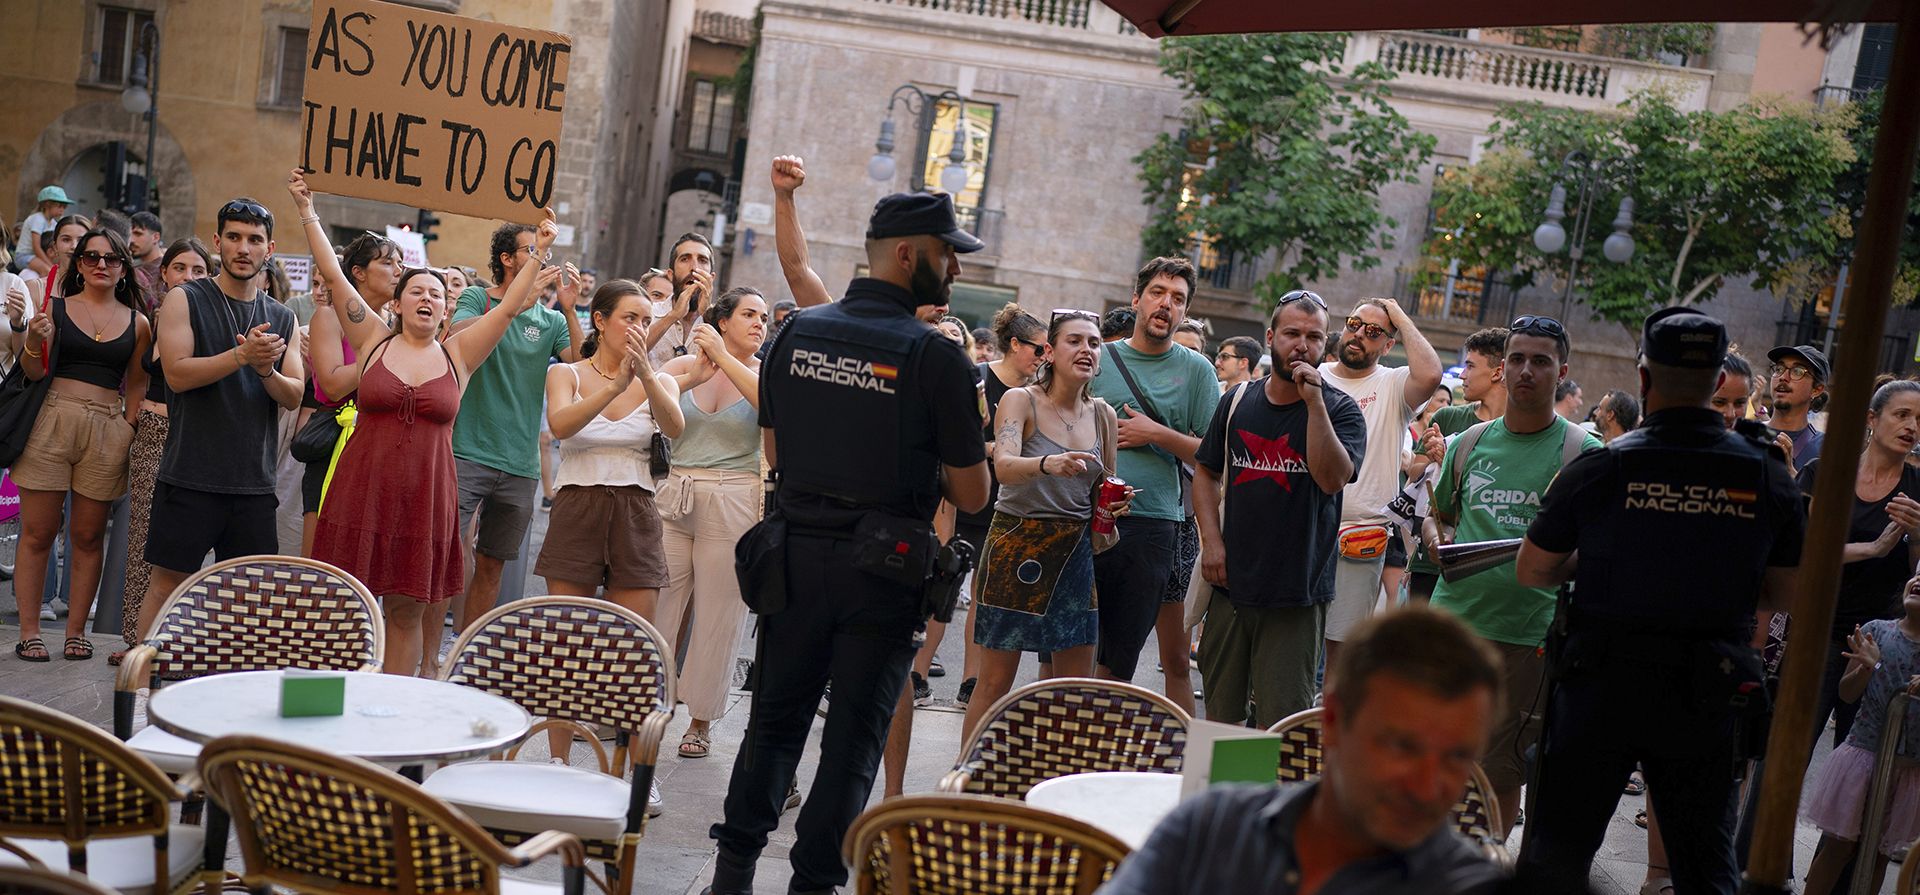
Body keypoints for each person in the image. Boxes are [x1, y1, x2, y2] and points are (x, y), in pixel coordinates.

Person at [704, 191, 989, 895]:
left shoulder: (796, 334)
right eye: (945, 250)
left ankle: (732, 874)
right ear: (905, 254)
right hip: (884, 571)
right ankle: (814, 884)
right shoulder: (935, 357)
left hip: (794, 555)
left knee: (772, 722)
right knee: (852, 741)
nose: (953, 265)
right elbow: (974, 493)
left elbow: (774, 447)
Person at [1515, 307, 1805, 894]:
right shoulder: (1766, 473)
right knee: (1703, 860)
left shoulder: (1602, 466)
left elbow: (1534, 570)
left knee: (1558, 855)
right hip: (1706, 689)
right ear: (1718, 384)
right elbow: (1788, 592)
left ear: (1644, 378)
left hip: (1602, 684)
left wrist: (1605, 560)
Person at [293, 173, 548, 679]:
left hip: (426, 497)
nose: (428, 298)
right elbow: (333, 272)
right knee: (345, 606)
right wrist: (306, 209)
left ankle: (390, 714)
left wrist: (538, 251)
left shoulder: (461, 354)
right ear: (398, 303)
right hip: (361, 488)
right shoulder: (371, 341)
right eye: (417, 292)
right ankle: (333, 707)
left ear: (446, 308)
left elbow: (510, 307)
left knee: (406, 610)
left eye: (437, 293)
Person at [1096, 606, 1508, 895]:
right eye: (1402, 747)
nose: (1426, 786)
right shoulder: (1210, 828)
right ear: (1332, 723)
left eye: (1457, 757)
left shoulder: (1466, 885)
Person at [1423, 317, 1602, 838]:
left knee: (1501, 771)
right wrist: (1436, 540)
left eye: (1540, 361)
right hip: (1452, 625)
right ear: (1503, 369)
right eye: (1518, 359)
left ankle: (1491, 861)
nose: (1527, 370)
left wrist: (1547, 564)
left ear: (1561, 371)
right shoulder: (1469, 442)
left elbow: (1598, 551)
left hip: (1527, 635)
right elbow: (1438, 513)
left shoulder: (1583, 455)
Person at [534, 278, 683, 798]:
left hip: (636, 509)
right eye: (630, 318)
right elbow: (563, 425)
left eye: (646, 319)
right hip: (578, 505)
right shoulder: (566, 372)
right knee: (565, 638)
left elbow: (675, 425)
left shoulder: (657, 375)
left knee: (636, 646)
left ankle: (631, 768)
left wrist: (643, 374)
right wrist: (615, 386)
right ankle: (555, 758)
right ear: (600, 321)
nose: (640, 328)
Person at [133, 198, 303, 644]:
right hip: (190, 475)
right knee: (167, 585)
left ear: (270, 248)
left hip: (253, 484)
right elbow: (177, 374)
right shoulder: (184, 298)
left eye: (254, 239)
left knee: (248, 599)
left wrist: (265, 370)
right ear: (217, 242)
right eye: (233, 237)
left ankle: (231, 698)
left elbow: (295, 394)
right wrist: (241, 356)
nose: (243, 248)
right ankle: (139, 685)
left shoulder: (284, 316)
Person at [1194, 290, 1366, 726]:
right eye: (1291, 333)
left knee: (1278, 725)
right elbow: (1205, 472)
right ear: (1271, 336)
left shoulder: (1341, 411)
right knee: (1220, 721)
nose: (1301, 345)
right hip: (1231, 587)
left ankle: (1266, 797)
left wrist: (1314, 404)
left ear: (1325, 347)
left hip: (1298, 595)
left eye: (1313, 337)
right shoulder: (1236, 401)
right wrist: (1212, 544)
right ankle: (1220, 796)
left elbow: (1331, 479)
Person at [961, 308, 1128, 739]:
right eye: (1075, 341)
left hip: (1073, 548)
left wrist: (1114, 503)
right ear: (1050, 352)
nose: (1087, 349)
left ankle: (1050, 785)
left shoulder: (1104, 415)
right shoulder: (1022, 399)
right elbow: (1004, 465)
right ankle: (963, 781)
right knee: (995, 681)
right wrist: (1048, 463)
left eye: (1094, 343)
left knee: (1072, 688)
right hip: (1017, 539)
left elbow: (1103, 485)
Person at [8, 227, 150, 662]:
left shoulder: (138, 322)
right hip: (51, 419)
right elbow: (32, 371)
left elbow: (139, 386)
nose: (100, 265)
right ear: (79, 264)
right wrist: (32, 339)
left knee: (88, 536)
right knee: (38, 532)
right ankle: (29, 630)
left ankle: (76, 632)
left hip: (108, 426)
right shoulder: (55, 308)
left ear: (124, 269)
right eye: (91, 257)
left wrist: (126, 427)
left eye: (110, 259)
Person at [1087, 257, 1220, 697]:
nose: (1167, 304)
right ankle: (1062, 755)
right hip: (1082, 516)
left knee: (1117, 661)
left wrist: (1156, 434)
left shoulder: (1198, 370)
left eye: (1178, 299)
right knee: (1068, 650)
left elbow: (1213, 454)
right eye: (1159, 293)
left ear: (1185, 312)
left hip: (1151, 525)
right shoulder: (1097, 359)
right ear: (1137, 300)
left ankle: (1097, 755)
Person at [447, 222, 581, 635]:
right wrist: (513, 307)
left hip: (520, 464)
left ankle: (465, 652)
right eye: (532, 250)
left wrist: (572, 308)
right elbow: (456, 335)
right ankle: (431, 659)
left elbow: (580, 364)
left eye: (546, 252)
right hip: (466, 450)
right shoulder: (476, 297)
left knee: (492, 564)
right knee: (450, 557)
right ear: (507, 259)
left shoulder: (552, 320)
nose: (543, 259)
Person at [654, 286, 767, 764]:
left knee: (720, 614)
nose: (760, 323)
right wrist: (697, 367)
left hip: (735, 495)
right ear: (723, 320)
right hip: (676, 493)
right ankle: (640, 702)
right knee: (657, 602)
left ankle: (700, 721)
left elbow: (772, 406)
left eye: (764, 316)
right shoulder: (685, 366)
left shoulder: (764, 376)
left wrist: (726, 358)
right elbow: (649, 391)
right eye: (749, 314)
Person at [928, 302, 1049, 710]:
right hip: (961, 500)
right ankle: (916, 673)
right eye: (1038, 349)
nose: (1042, 358)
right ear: (1014, 345)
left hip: (1005, 505)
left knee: (984, 596)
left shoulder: (1036, 394)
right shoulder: (976, 379)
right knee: (940, 588)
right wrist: (989, 449)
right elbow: (945, 441)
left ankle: (971, 682)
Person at [1319, 297, 1443, 679]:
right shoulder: (1315, 375)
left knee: (1342, 651)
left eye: (1374, 332)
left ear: (1389, 345)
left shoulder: (1391, 384)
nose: (1359, 335)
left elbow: (1431, 375)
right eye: (1355, 323)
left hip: (1361, 538)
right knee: (1289, 640)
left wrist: (1399, 315)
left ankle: (1328, 732)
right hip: (1302, 529)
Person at [114, 237, 211, 664]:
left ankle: (174, 640)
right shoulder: (153, 321)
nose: (189, 277)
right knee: (142, 540)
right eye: (181, 269)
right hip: (151, 432)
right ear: (165, 274)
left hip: (192, 437)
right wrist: (131, 424)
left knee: (181, 548)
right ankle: (136, 641)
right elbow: (136, 378)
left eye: (199, 271)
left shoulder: (212, 321)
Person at [1799, 575, 1920, 895]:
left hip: (1907, 769)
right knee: (1839, 847)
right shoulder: (1876, 631)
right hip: (1863, 759)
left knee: (1878, 855)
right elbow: (1847, 693)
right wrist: (1866, 668)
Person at [301, 232, 404, 556]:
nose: (398, 271)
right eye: (387, 262)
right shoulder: (329, 316)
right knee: (320, 557)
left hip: (381, 447)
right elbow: (331, 384)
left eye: (400, 263)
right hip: (335, 441)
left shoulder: (398, 324)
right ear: (358, 272)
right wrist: (383, 351)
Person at [648, 233, 718, 367]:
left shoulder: (722, 322)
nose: (694, 268)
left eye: (702, 260)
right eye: (685, 259)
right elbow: (627, 354)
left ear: (711, 277)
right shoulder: (649, 312)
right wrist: (673, 316)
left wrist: (707, 315)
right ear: (671, 275)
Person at [1767, 344, 1829, 473]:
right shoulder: (1747, 433)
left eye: (1797, 371)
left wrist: (1794, 479)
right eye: (1779, 368)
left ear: (1816, 390)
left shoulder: (1826, 449)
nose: (1783, 377)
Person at [12, 185, 71, 277]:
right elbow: (36, 247)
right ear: (47, 204)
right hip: (24, 256)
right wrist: (51, 265)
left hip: (37, 256)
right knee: (48, 270)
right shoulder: (37, 219)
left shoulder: (53, 223)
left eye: (65, 206)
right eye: (60, 206)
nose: (62, 209)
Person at [127, 211, 165, 310]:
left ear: (155, 237)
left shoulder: (168, 269)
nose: (131, 240)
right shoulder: (133, 268)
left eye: (138, 234)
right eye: (129, 235)